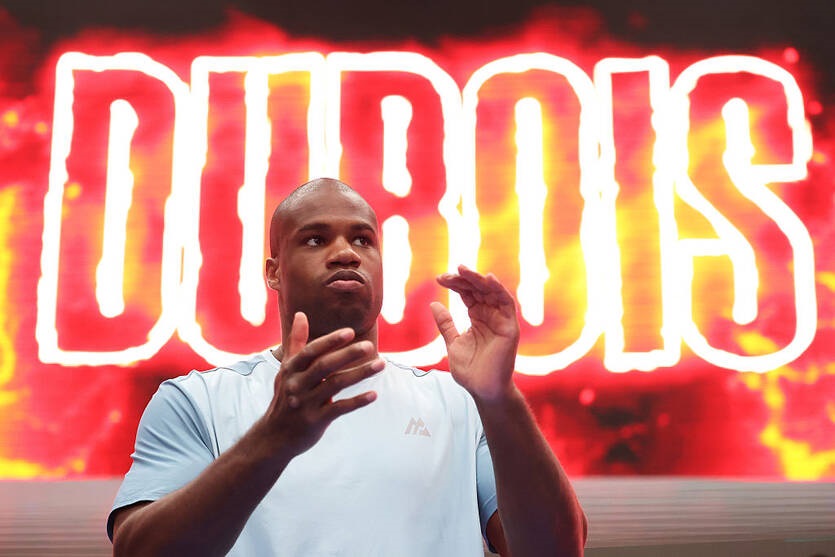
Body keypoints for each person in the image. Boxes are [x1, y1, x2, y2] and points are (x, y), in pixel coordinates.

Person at [108, 177, 587, 556]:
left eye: (363, 239)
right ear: (273, 272)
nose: (345, 253)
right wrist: (272, 440)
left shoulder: (461, 405)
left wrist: (501, 398)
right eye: (315, 239)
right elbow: (139, 552)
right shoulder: (196, 402)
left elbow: (557, 550)